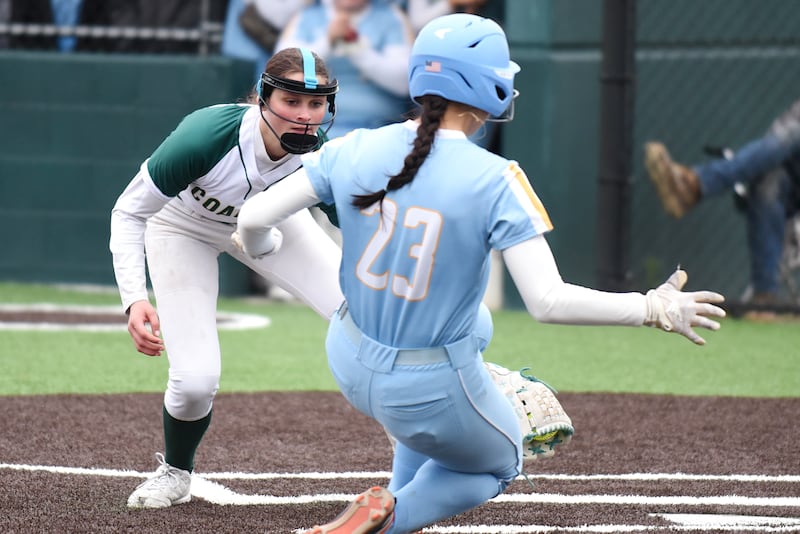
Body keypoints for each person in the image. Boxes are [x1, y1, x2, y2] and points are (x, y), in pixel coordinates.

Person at [235, 14, 726, 533]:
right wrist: (652, 308)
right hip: (421, 386)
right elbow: (548, 302)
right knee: (501, 460)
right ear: (489, 85)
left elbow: (252, 219)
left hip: (348, 356)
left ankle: (394, 488)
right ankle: (387, 521)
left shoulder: (353, 146)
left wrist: (261, 246)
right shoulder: (498, 178)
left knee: (478, 329)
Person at [109, 47, 344, 509]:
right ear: (261, 98)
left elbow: (359, 230)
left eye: (315, 104)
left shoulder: (323, 155)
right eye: (291, 101)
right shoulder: (207, 135)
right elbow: (129, 212)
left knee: (364, 318)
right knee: (195, 380)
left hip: (275, 225)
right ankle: (176, 472)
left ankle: (411, 454)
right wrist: (134, 299)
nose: (304, 116)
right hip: (182, 227)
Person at [645, 98, 800, 307]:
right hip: (789, 186)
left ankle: (696, 185)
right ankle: (766, 299)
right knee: (768, 180)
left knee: (787, 140)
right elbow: (774, 141)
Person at [276, 0, 414, 140]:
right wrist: (327, 42)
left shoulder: (392, 17)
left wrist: (356, 48)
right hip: (313, 129)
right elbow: (282, 74)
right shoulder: (307, 16)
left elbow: (404, 83)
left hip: (379, 130)